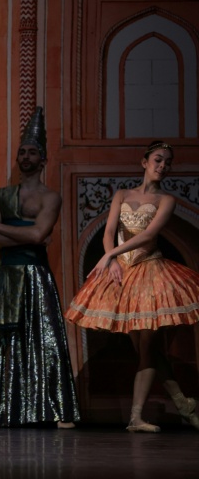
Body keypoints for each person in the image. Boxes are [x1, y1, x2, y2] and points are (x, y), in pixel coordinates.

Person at [65, 141, 199, 432]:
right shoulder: (122, 194)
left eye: (167, 162)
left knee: (149, 346)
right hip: (123, 274)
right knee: (144, 349)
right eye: (157, 160)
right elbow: (109, 231)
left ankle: (136, 417)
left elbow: (149, 234)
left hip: (151, 271)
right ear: (144, 162)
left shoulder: (167, 200)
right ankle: (184, 404)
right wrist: (112, 259)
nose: (162, 166)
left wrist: (111, 254)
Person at [0, 107, 80, 428]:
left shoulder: (51, 198)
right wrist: (27, 235)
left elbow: (37, 234)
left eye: (32, 151)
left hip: (36, 276)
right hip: (8, 276)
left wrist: (2, 227)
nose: (25, 156)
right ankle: (9, 411)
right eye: (22, 151)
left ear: (43, 159)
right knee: (8, 342)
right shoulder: (3, 194)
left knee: (43, 337)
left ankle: (52, 409)